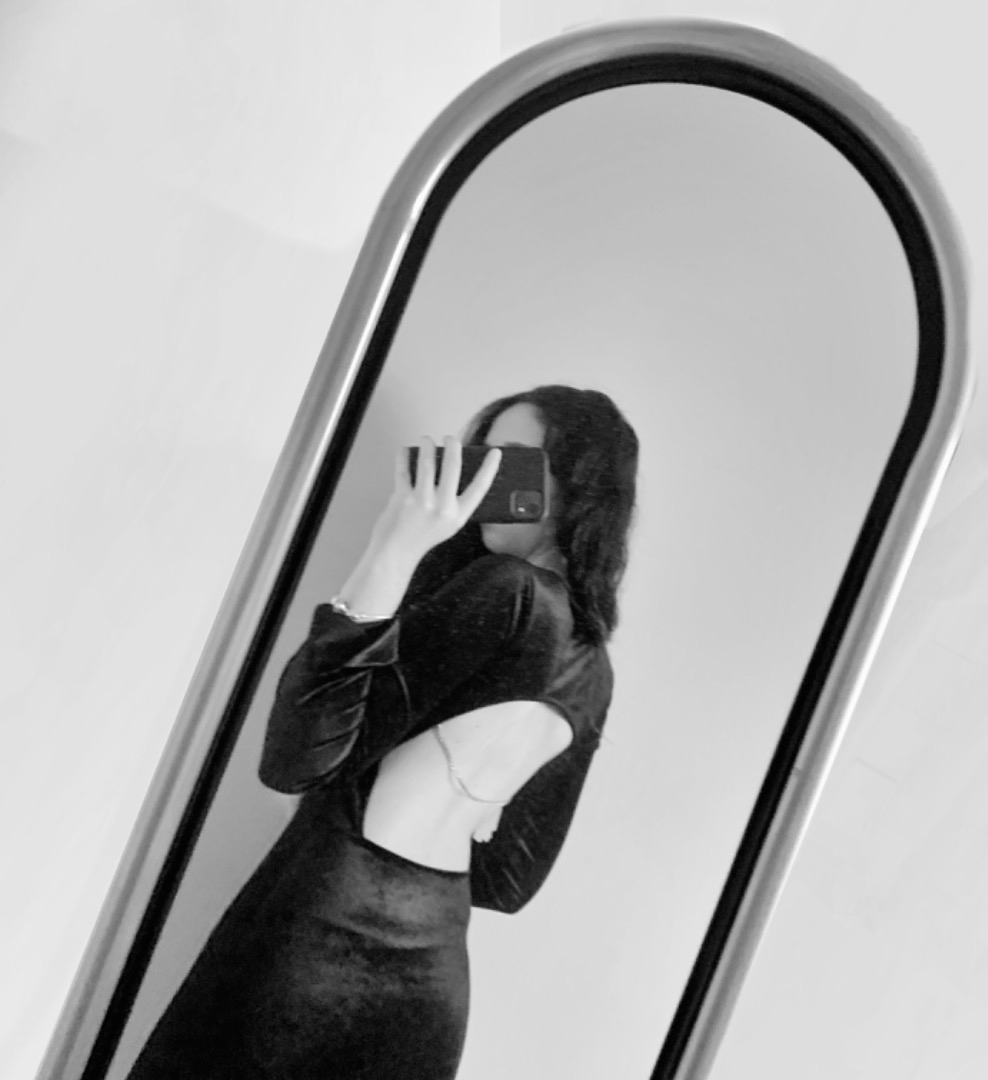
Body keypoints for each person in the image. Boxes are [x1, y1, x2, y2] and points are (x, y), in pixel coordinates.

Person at [126, 384, 639, 1080]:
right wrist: (460, 794)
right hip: (431, 986)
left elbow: (296, 758)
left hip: (319, 946)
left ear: (578, 487)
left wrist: (393, 546)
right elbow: (507, 880)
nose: (482, 475)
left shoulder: (509, 590)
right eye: (480, 455)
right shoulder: (596, 669)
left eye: (513, 460)